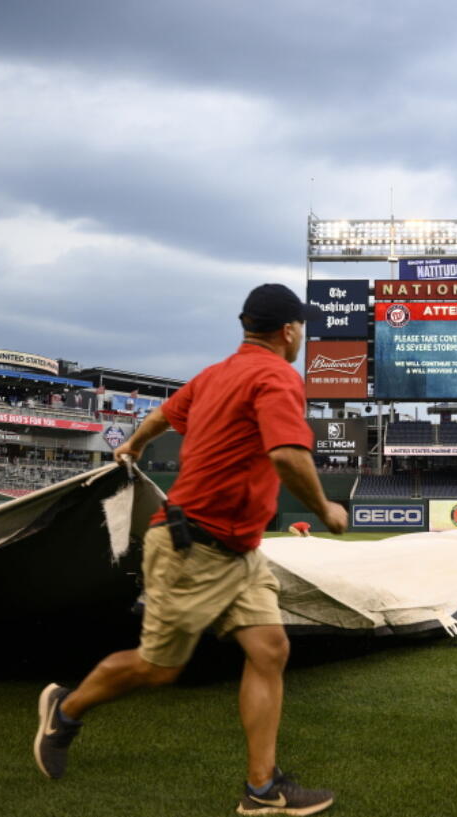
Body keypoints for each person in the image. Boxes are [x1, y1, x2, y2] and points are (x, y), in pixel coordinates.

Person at [33, 283, 348, 816]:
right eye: (303, 328)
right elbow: (288, 455)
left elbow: (161, 416)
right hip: (193, 547)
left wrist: (134, 442)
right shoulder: (276, 375)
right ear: (290, 330)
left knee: (270, 649)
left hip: (238, 551)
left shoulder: (216, 373)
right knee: (160, 668)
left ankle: (261, 789)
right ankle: (66, 709)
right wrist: (324, 509)